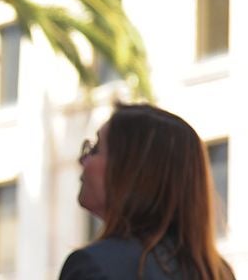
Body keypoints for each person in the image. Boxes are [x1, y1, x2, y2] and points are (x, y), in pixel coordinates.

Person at [59, 103, 234, 280]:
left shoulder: (95, 266)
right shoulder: (219, 272)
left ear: (132, 171)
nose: (83, 160)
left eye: (96, 149)